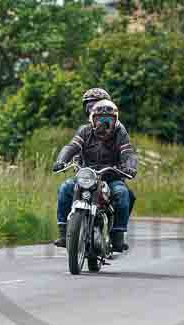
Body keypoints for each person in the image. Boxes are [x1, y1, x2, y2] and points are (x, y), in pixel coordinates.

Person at [52, 99, 137, 252]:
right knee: (65, 188)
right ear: (92, 119)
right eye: (99, 119)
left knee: (123, 193)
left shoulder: (120, 133)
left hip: (111, 177)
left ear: (115, 120)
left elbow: (128, 153)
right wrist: (61, 160)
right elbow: (72, 146)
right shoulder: (85, 131)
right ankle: (64, 234)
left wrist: (130, 167)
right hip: (86, 176)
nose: (103, 123)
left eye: (108, 119)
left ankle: (117, 235)